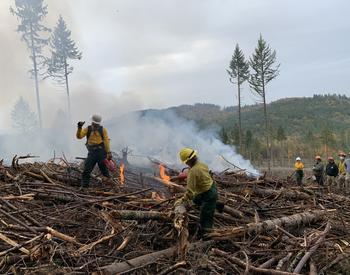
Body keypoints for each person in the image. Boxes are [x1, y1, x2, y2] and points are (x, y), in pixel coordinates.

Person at [174, 148, 223, 235]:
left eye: (186, 162)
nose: (186, 163)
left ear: (188, 161)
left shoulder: (193, 172)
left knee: (205, 215)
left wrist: (181, 200)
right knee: (196, 200)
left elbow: (190, 192)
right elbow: (203, 174)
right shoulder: (202, 164)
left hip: (209, 194)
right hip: (211, 187)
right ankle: (217, 204)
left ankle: (207, 233)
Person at [76, 114, 112, 188]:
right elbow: (79, 137)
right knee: (87, 170)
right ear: (92, 123)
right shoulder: (88, 129)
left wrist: (108, 152)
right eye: (94, 124)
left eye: (96, 124)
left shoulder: (103, 130)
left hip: (101, 153)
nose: (95, 125)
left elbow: (106, 141)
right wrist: (79, 127)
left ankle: (110, 186)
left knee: (104, 171)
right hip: (92, 153)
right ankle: (84, 187)